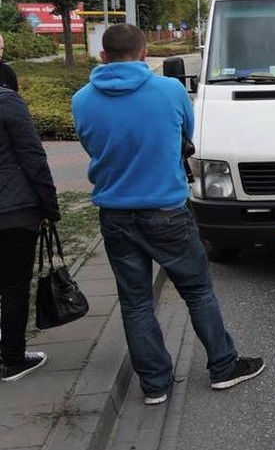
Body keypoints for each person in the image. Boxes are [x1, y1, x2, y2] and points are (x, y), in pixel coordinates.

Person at [71, 23, 264, 405]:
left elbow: (91, 146)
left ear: (103, 56)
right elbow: (186, 135)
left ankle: (155, 384)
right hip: (166, 212)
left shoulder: (81, 100)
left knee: (136, 301)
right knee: (197, 289)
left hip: (114, 214)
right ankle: (223, 366)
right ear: (144, 54)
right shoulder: (170, 91)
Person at [0, 86, 60, 381]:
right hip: (13, 211)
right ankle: (12, 359)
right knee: (13, 288)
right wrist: (50, 207)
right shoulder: (6, 101)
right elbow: (33, 156)